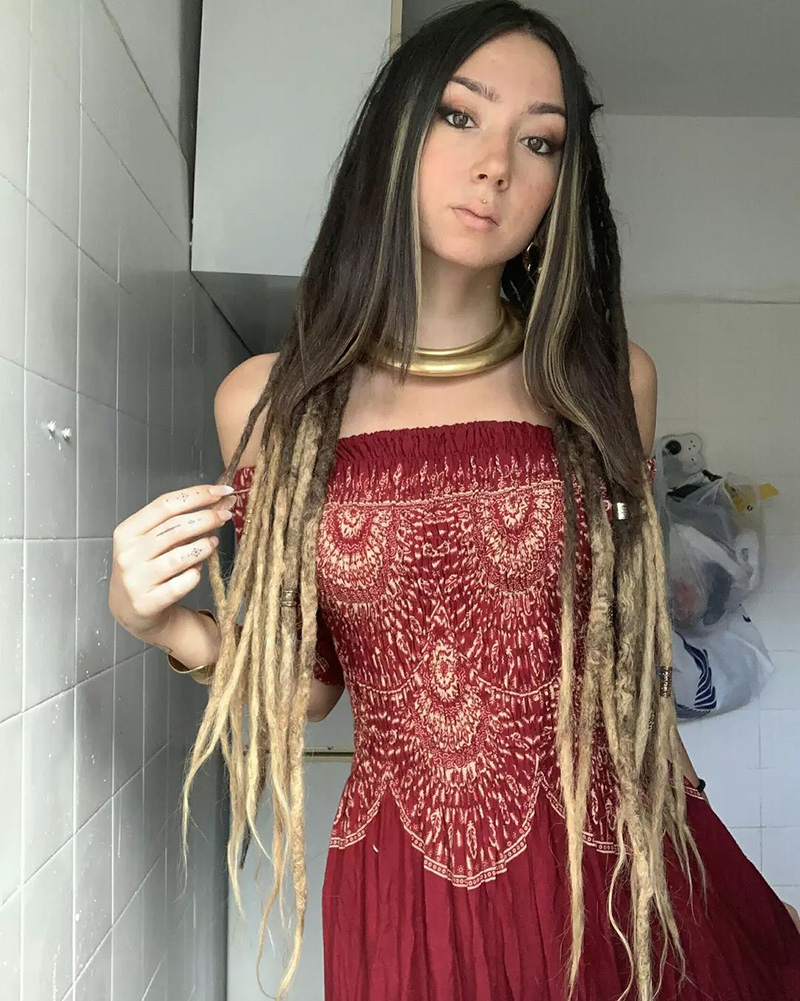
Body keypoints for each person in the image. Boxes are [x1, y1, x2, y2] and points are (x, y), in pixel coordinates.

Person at [108, 2, 800, 998]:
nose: (496, 167)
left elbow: (618, 635)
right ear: (393, 135)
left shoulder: (610, 379)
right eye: (459, 116)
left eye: (540, 141)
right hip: (409, 889)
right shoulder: (267, 403)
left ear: (561, 183)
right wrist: (167, 625)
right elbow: (309, 684)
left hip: (618, 869)